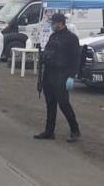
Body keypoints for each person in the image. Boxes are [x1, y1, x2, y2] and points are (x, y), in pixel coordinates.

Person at [34, 13, 81, 142]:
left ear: (60, 23)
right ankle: (49, 131)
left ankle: (75, 130)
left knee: (64, 104)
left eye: (53, 23)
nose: (52, 25)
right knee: (50, 103)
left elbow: (76, 59)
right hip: (49, 73)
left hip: (62, 74)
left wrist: (72, 76)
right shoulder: (53, 36)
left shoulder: (71, 38)